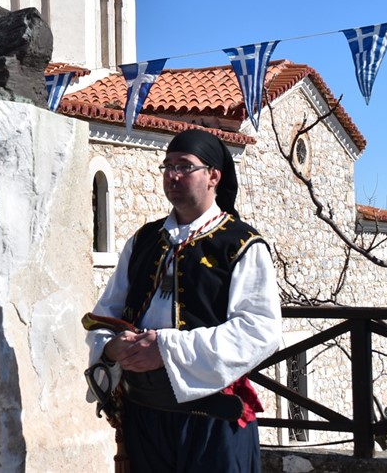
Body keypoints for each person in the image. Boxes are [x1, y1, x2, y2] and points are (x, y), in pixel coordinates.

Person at [85, 128, 283, 472]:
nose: (172, 175)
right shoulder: (144, 241)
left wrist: (165, 349)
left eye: (184, 166)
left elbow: (260, 330)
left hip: (210, 422)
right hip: (144, 418)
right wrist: (112, 348)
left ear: (213, 176)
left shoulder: (241, 244)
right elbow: (105, 316)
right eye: (167, 166)